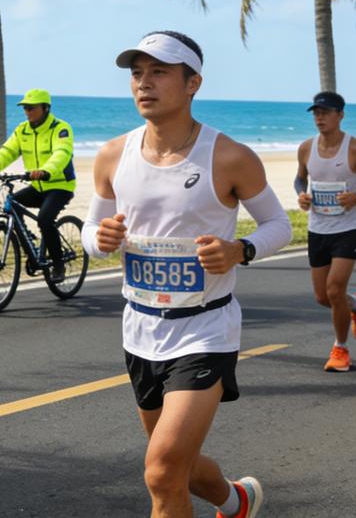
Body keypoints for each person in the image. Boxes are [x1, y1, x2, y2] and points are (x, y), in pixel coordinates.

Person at [82, 30, 291, 518]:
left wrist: (240, 249)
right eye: (137, 73)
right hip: (140, 328)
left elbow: (277, 225)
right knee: (179, 464)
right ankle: (236, 500)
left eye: (159, 72)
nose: (143, 83)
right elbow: (92, 231)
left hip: (206, 329)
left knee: (160, 472)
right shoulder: (114, 154)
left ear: (193, 82)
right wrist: (100, 239)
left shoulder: (229, 156)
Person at [294, 91, 356, 371]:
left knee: (335, 289)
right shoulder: (306, 147)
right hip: (317, 228)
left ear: (340, 115)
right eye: (316, 113)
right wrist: (302, 195)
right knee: (323, 297)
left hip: (347, 228)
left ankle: (340, 350)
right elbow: (300, 179)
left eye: (326, 112)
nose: (319, 117)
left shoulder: (355, 149)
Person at [0, 89, 76, 280]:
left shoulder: (60, 128)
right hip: (38, 187)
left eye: (31, 108)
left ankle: (59, 264)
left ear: (45, 108)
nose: (27, 112)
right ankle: (29, 241)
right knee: (12, 203)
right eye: (25, 108)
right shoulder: (23, 130)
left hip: (60, 186)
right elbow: (7, 152)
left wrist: (46, 171)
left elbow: (61, 154)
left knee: (45, 220)